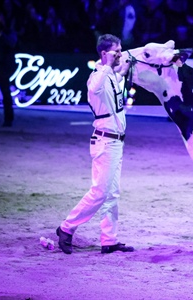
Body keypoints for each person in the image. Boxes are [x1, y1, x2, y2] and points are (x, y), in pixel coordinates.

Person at [56, 34, 134, 255]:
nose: (119, 54)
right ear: (103, 53)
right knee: (99, 192)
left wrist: (120, 65)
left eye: (120, 50)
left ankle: (109, 240)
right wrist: (108, 65)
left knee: (112, 193)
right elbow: (94, 88)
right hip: (105, 141)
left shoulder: (111, 75)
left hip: (115, 142)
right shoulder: (96, 77)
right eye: (115, 51)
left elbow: (119, 74)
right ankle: (66, 228)